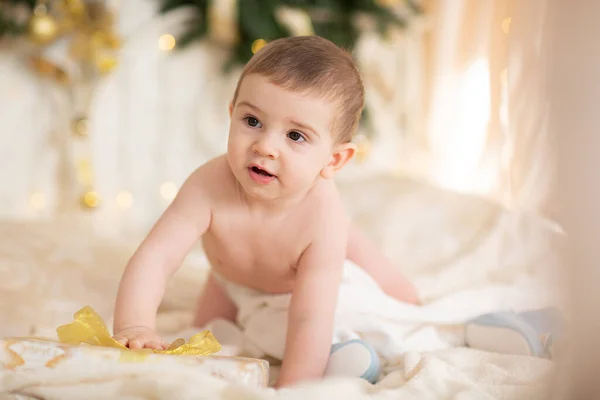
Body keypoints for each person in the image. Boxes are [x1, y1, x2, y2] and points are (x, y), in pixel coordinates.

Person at [112, 35, 419, 388]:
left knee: (381, 303)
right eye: (252, 121)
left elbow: (310, 317)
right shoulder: (208, 184)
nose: (265, 146)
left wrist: (294, 387)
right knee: (205, 337)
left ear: (333, 159)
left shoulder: (323, 216)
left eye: (295, 136)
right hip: (231, 277)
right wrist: (134, 325)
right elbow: (157, 257)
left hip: (300, 285)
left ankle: (366, 340)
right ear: (232, 112)